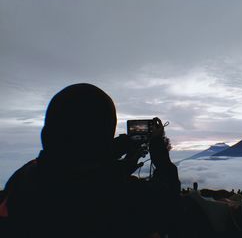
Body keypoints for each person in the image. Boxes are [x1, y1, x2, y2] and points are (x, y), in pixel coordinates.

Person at [2, 83, 180, 238]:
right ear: (104, 138)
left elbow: (76, 166)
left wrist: (116, 149)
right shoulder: (126, 197)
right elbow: (169, 196)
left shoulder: (22, 179)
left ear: (47, 134)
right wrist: (158, 150)